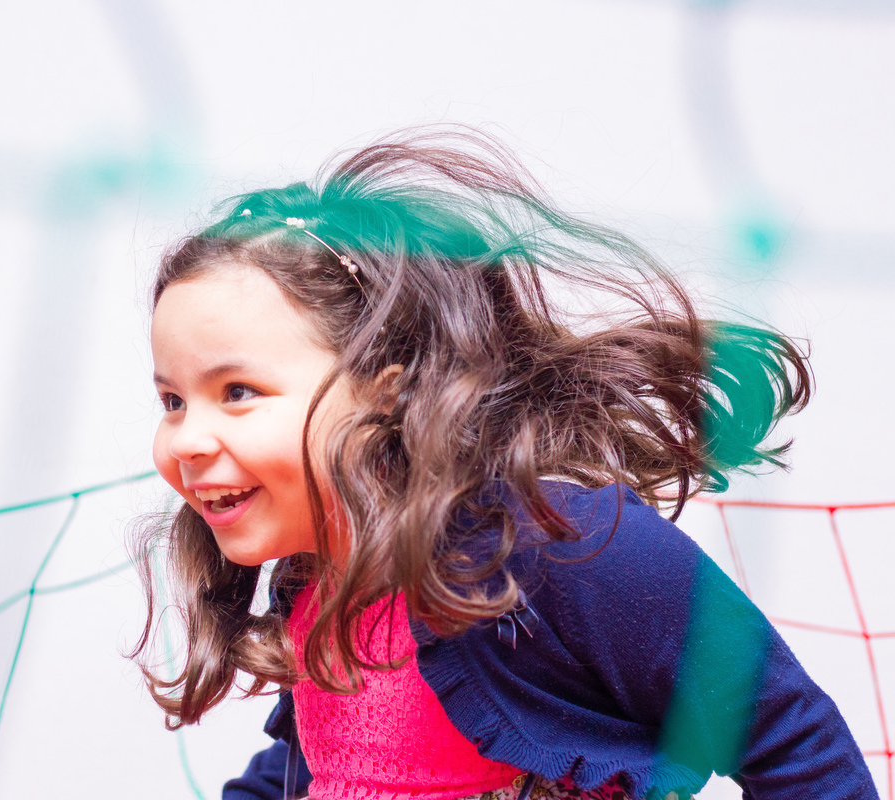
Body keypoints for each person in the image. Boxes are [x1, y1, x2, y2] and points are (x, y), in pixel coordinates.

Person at [131, 129, 878, 800]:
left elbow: (793, 743)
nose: (187, 440)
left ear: (385, 392)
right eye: (172, 400)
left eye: (237, 392)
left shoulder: (564, 547)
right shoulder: (321, 579)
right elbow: (327, 762)